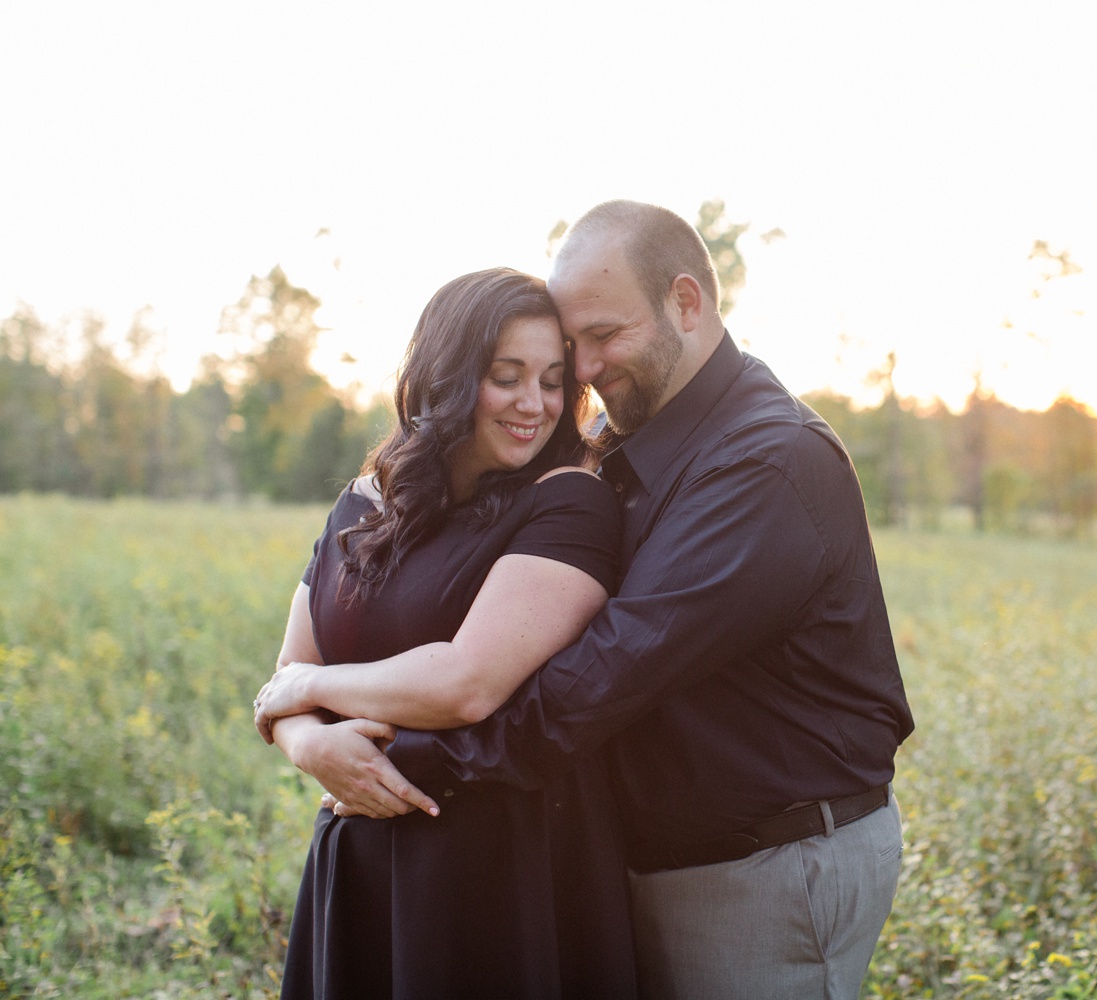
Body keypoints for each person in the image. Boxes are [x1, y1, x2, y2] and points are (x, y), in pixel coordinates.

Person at [296, 200, 915, 999]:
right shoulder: (637, 442)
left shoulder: (766, 463)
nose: (580, 372)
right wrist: (312, 737)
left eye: (600, 338)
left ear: (686, 304)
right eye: (568, 347)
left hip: (766, 865)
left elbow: (593, 683)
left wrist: (384, 761)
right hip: (654, 852)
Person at [254, 267, 637, 999]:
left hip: (496, 869)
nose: (534, 404)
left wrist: (307, 691)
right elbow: (285, 676)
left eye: (553, 380)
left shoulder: (568, 504)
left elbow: (465, 683)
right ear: (450, 376)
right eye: (508, 377)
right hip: (358, 852)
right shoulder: (362, 502)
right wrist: (314, 746)